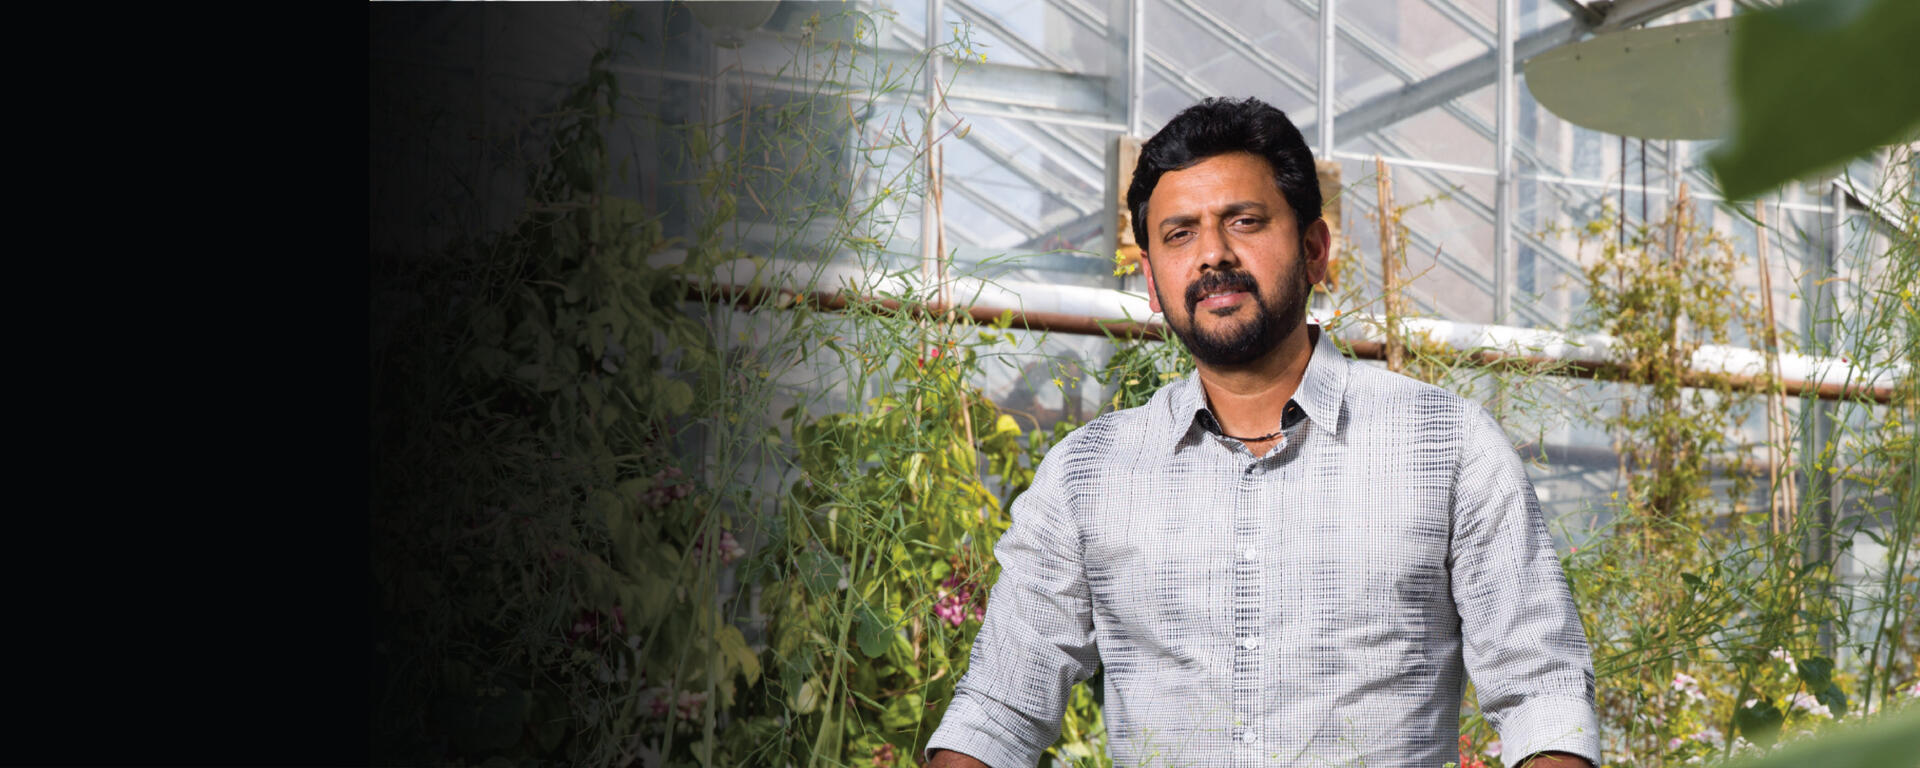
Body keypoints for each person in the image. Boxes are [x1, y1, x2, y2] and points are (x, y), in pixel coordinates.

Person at [922, 97, 1599, 768]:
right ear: (1154, 283)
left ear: (1314, 249)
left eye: (1244, 221)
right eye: (1179, 234)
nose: (1212, 254)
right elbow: (1000, 710)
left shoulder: (1446, 446)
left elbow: (1542, 689)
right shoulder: (1088, 475)